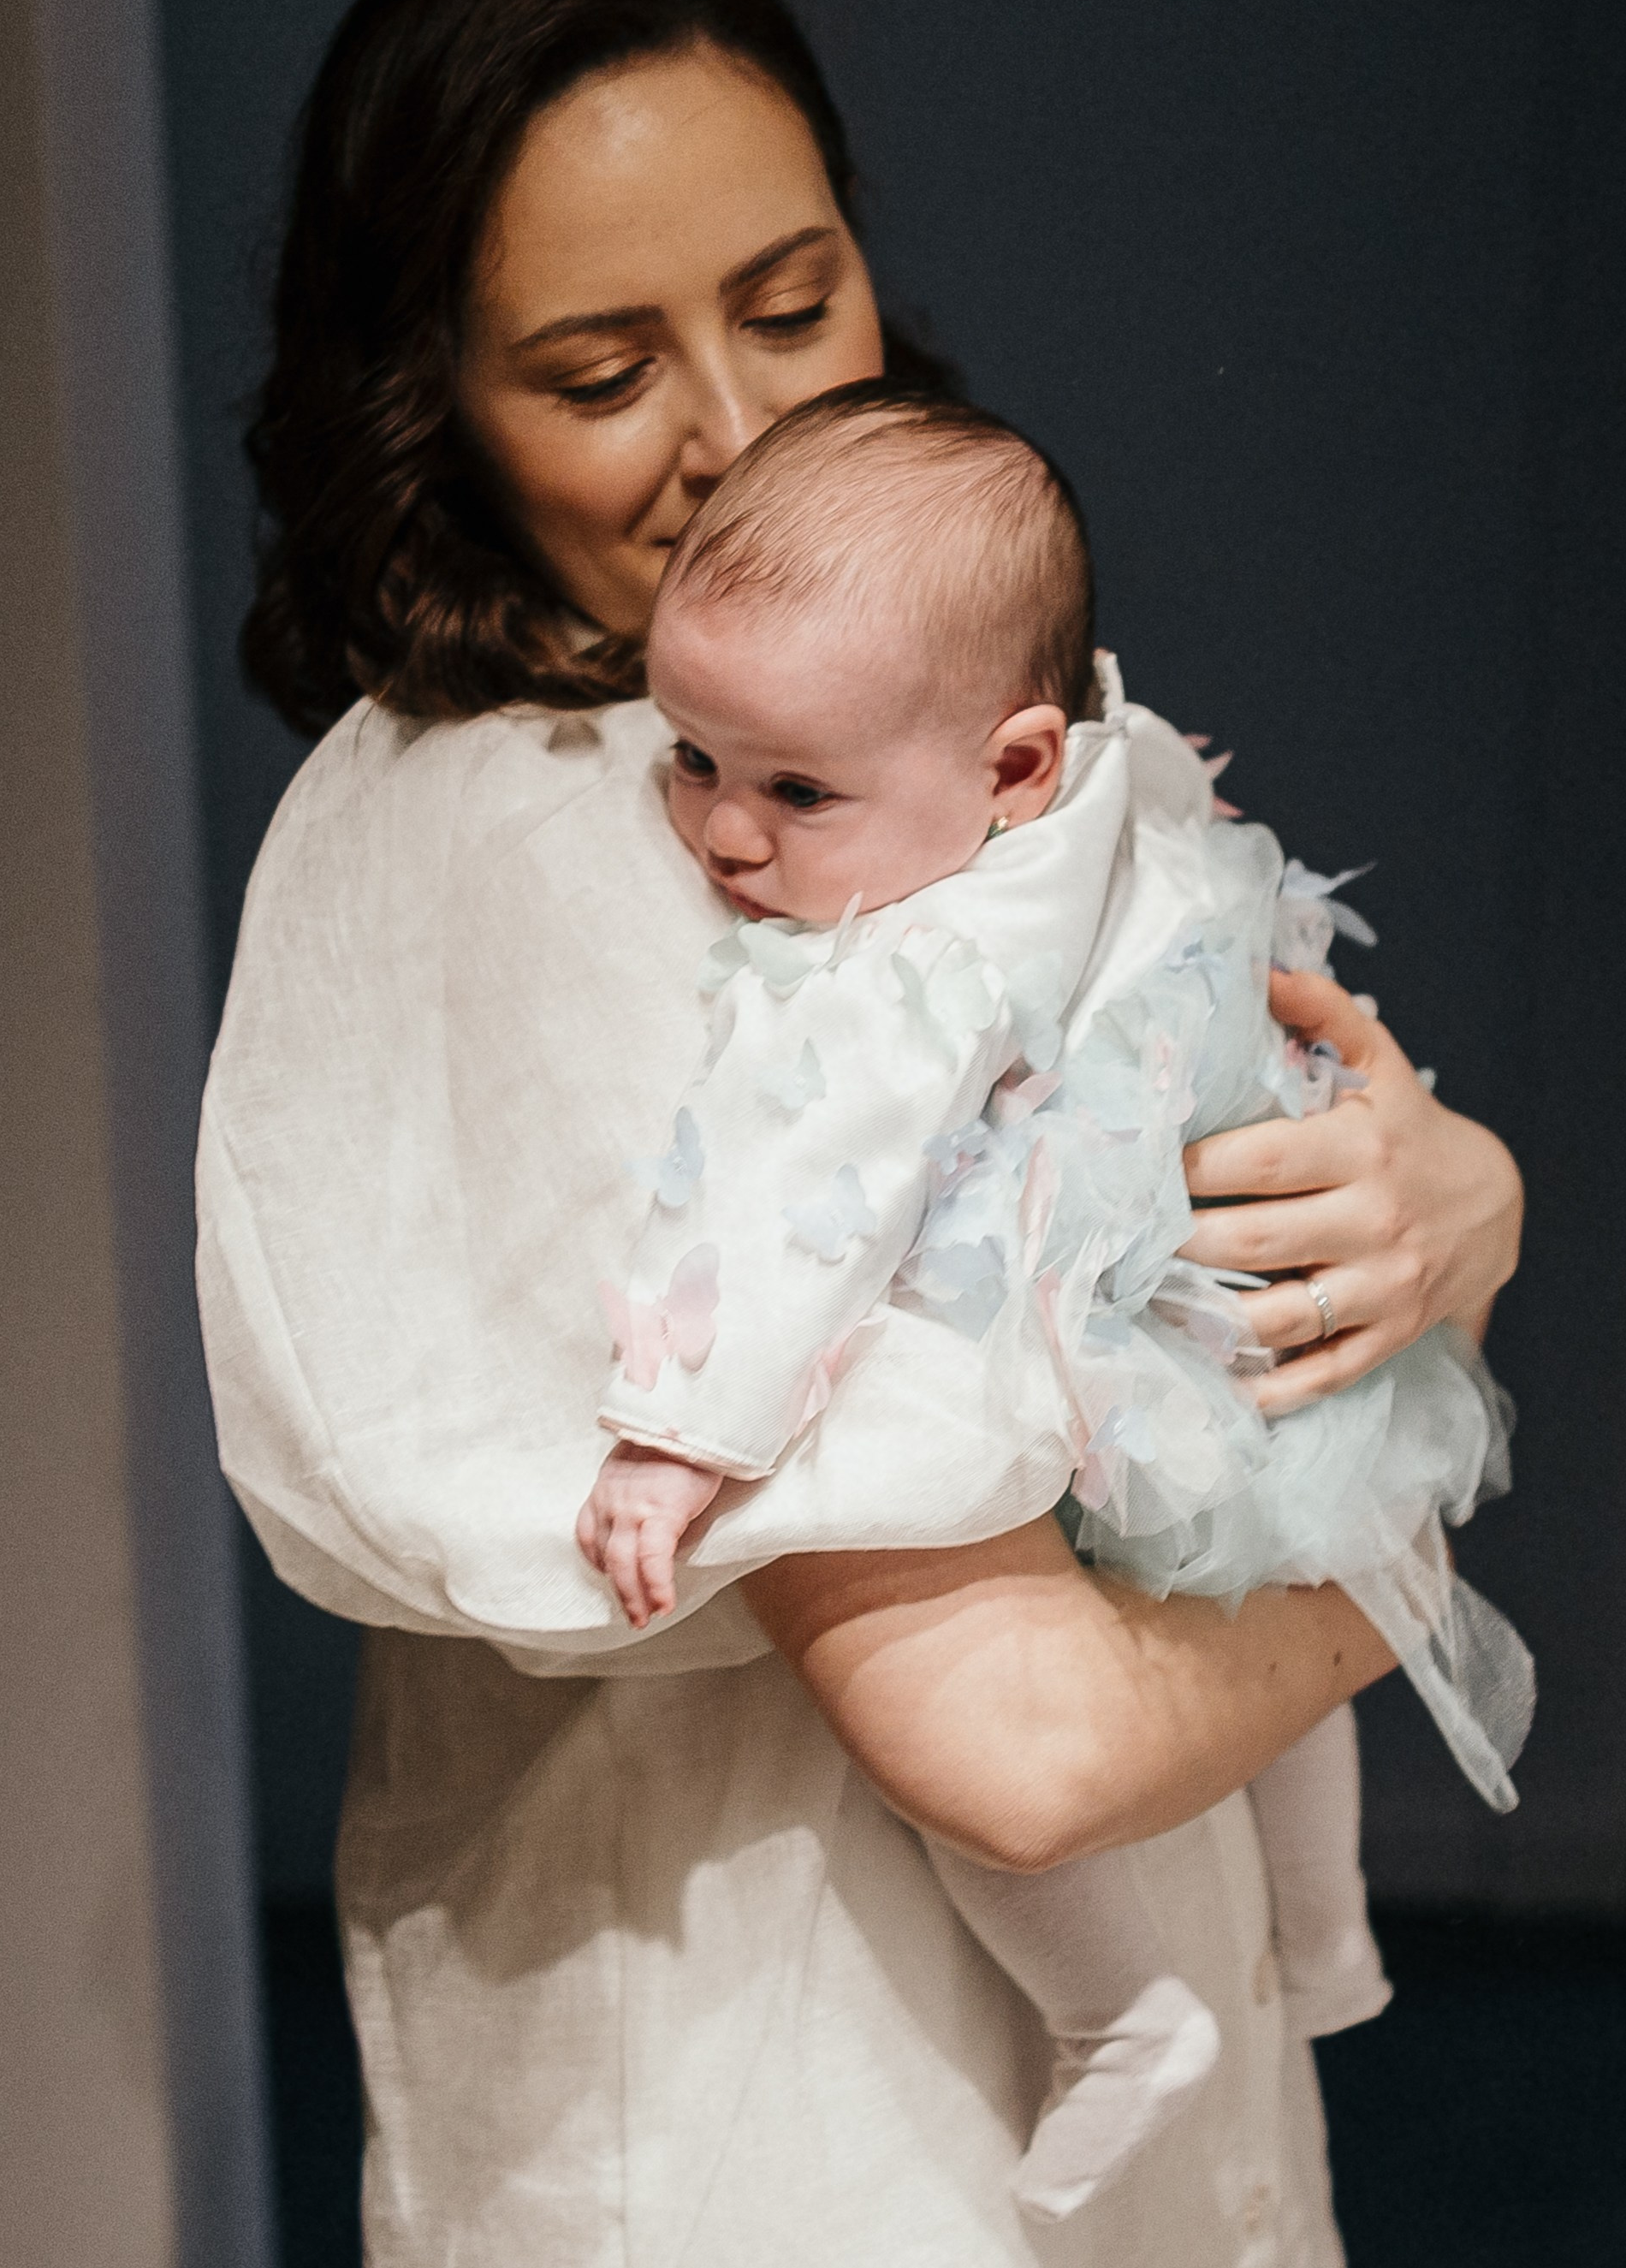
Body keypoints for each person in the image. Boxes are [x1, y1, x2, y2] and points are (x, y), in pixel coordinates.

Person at [198, 0, 1524, 2265]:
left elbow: (1225, 1121)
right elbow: (1024, 1739)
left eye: (793, 300)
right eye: (599, 372)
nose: (741, 434)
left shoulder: (881, 742)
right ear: (425, 401)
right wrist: (1403, 1494)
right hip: (774, 2123)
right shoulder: (580, 847)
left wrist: (1443, 1192)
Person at [573, 383, 1528, 2218]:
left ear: (1009, 769)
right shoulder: (1107, 764)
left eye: (789, 788)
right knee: (1268, 1579)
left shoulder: (918, 962)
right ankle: (1323, 1945)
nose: (720, 830)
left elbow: (803, 1204)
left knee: (979, 1716)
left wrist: (676, 1440)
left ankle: (1118, 2017)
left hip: (1124, 1319)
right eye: (688, 754)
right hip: (1237, 1323)